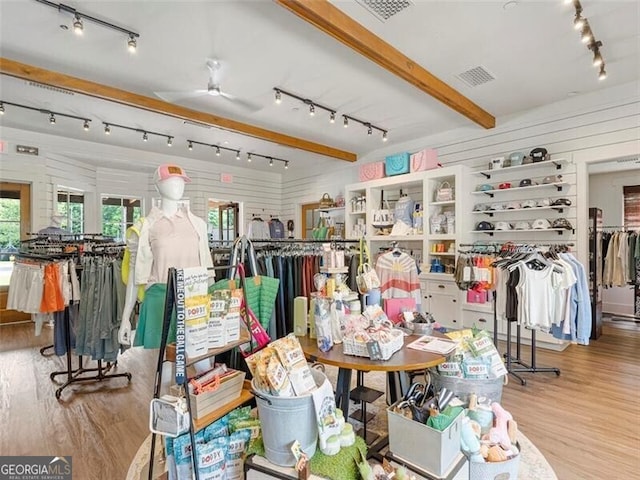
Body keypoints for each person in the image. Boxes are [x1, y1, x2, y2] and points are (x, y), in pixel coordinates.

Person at [118, 164, 213, 348]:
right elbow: (134, 273)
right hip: (159, 301)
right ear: (158, 185)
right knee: (164, 367)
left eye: (181, 181)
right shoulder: (144, 226)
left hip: (195, 299)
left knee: (201, 363)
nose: (178, 186)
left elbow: (208, 270)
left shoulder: (199, 224)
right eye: (171, 181)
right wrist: (125, 318)